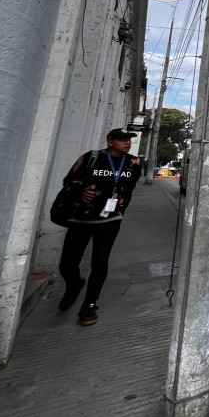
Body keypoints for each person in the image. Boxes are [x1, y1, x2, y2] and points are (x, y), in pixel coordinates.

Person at [57, 128, 143, 326]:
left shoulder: (133, 163)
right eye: (122, 139)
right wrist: (81, 191)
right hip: (81, 218)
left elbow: (130, 188)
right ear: (110, 141)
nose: (127, 143)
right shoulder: (91, 158)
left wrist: (121, 207)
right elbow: (68, 180)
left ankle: (89, 305)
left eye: (129, 139)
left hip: (109, 220)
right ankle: (74, 284)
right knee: (68, 264)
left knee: (100, 262)